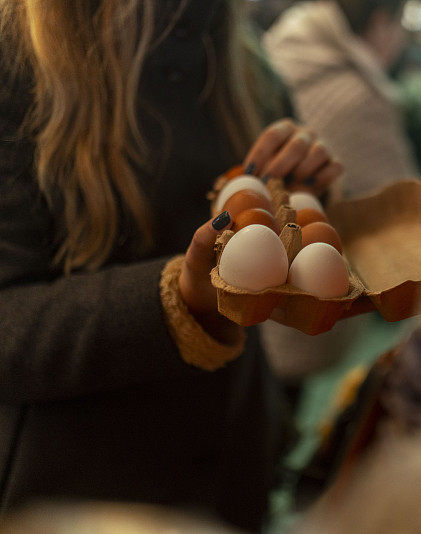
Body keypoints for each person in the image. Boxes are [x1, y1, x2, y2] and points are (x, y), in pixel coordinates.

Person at [0, 0, 341, 531]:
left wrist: (299, 195)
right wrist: (177, 300)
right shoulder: (16, 58)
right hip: (75, 499)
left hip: (227, 475)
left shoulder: (244, 63)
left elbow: (274, 231)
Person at [265, 0, 419, 200]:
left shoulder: (280, 51)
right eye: (401, 22)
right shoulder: (362, 99)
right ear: (380, 22)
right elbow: (405, 203)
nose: (402, 38)